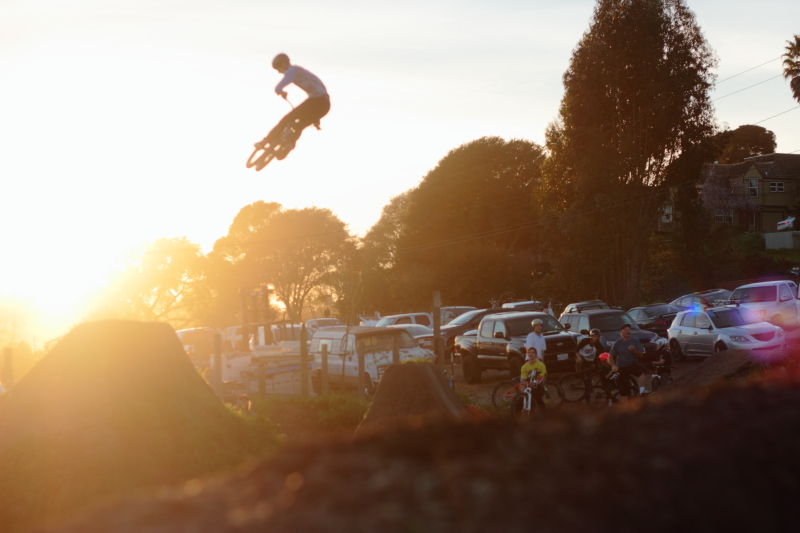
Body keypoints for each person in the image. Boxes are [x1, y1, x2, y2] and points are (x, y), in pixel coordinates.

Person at [255, 54, 331, 157]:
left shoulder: (292, 70)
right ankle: (288, 146)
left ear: (284, 64)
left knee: (287, 119)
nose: (278, 71)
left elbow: (278, 87)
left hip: (316, 101)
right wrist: (316, 118)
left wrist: (281, 92)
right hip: (325, 105)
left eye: (278, 68)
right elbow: (320, 90)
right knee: (299, 125)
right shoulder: (302, 72)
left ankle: (266, 141)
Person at [608, 323, 648, 396]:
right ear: (621, 332)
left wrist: (635, 350)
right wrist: (613, 365)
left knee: (642, 371)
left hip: (632, 364)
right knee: (624, 389)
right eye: (626, 330)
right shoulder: (618, 342)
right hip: (622, 366)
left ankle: (642, 391)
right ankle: (626, 404)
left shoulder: (635, 341)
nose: (628, 332)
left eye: (629, 330)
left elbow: (641, 355)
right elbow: (610, 356)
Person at [520, 347, 547, 412]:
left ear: (535, 355)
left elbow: (544, 378)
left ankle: (544, 414)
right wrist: (523, 392)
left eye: (533, 352)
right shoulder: (524, 367)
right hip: (529, 387)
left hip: (539, 387)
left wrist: (533, 383)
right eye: (529, 353)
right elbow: (523, 380)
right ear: (527, 355)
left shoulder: (541, 365)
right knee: (520, 400)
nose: (531, 354)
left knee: (536, 398)